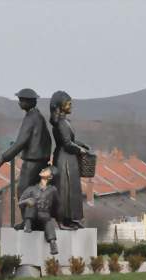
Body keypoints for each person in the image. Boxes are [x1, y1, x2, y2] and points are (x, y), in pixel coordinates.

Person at [0, 88, 52, 226]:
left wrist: (3, 158)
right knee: (33, 192)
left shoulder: (31, 118)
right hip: (40, 160)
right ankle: (32, 221)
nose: (19, 102)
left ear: (28, 102)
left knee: (23, 191)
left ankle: (28, 221)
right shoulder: (38, 117)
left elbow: (21, 142)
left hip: (33, 161)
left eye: (21, 100)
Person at [49, 91, 89, 230]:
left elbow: (71, 140)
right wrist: (79, 150)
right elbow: (66, 143)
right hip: (63, 159)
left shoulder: (66, 122)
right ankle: (61, 220)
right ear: (61, 105)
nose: (71, 106)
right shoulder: (60, 123)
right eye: (68, 103)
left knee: (73, 190)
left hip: (70, 160)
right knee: (63, 190)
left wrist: (81, 144)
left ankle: (72, 218)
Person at [18, 166, 59, 255]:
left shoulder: (53, 190)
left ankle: (52, 243)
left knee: (48, 222)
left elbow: (57, 205)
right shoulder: (31, 189)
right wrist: (26, 201)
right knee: (31, 202)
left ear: (50, 176)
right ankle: (27, 225)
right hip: (32, 218)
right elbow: (20, 203)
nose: (42, 169)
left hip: (45, 216)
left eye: (45, 170)